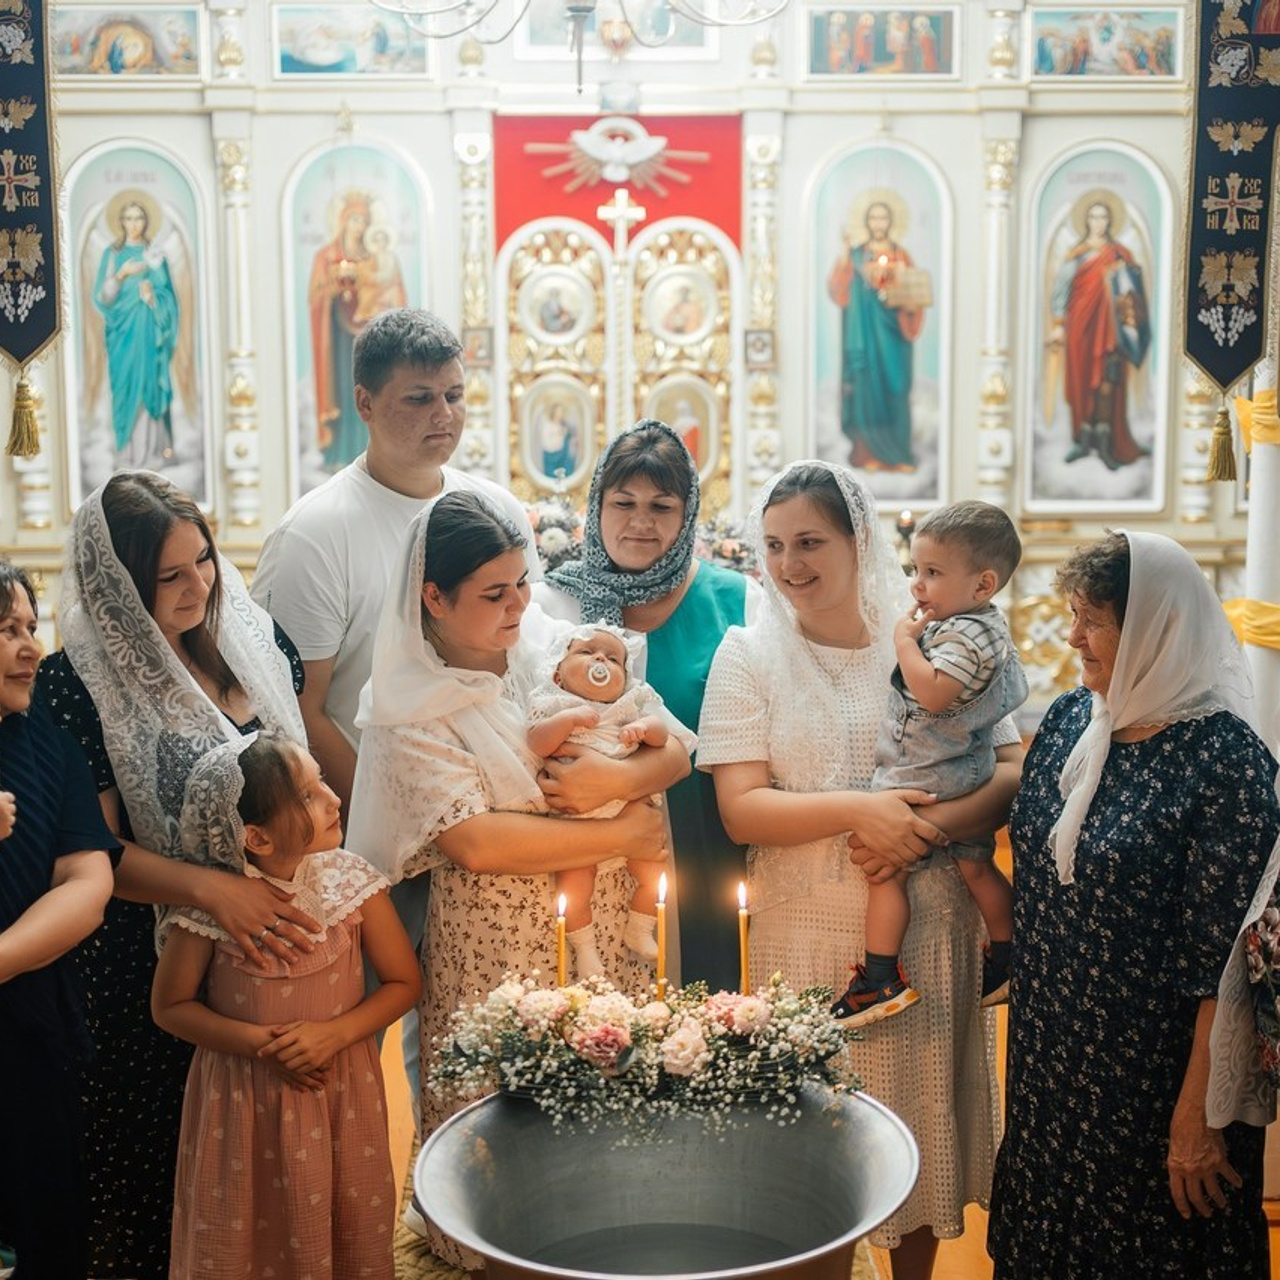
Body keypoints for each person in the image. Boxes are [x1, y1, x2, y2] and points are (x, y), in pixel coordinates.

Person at [698, 461, 1022, 1280]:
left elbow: (1015, 767)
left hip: (929, 922)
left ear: (858, 539)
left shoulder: (935, 638)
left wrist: (923, 826)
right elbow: (743, 808)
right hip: (805, 935)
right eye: (773, 546)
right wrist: (861, 810)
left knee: (918, 1129)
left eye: (810, 541)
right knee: (819, 1153)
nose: (789, 563)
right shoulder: (748, 654)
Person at [346, 491, 686, 1272]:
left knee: (606, 1141)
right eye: (494, 595)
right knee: (506, 1152)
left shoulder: (554, 648)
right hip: (491, 948)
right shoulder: (406, 711)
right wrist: (623, 828)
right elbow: (475, 843)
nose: (518, 606)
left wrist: (616, 773)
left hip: (605, 927)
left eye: (523, 583)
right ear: (432, 597)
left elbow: (674, 745)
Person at [252, 307, 539, 1115]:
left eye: (454, 395)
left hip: (486, 816)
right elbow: (293, 706)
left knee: (475, 1022)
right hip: (364, 825)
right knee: (358, 1022)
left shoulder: (492, 506)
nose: (443, 417)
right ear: (365, 402)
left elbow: (521, 655)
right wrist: (405, 798)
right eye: (418, 398)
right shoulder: (316, 533)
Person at [36, 470, 314, 1280]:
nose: (199, 587)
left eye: (205, 562)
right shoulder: (74, 684)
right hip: (141, 965)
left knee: (264, 1166)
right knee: (162, 1178)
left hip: (265, 948)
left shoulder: (257, 647)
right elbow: (95, 851)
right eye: (170, 576)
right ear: (118, 585)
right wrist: (215, 889)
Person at [988, 531, 1279, 1279]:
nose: (1072, 635)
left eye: (1093, 619)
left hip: (1153, 1080)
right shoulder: (1069, 724)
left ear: (1156, 628)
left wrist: (1197, 1115)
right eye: (1071, 613)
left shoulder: (1225, 761)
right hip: (1053, 1060)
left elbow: (1224, 969)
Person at [153, 734, 419, 1280]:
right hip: (243, 1100)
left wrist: (334, 1035)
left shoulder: (353, 882)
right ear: (256, 836)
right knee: (247, 1227)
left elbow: (402, 983)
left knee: (345, 1215)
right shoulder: (212, 910)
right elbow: (171, 1006)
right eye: (307, 794)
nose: (332, 798)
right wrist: (263, 1046)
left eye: (322, 781)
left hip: (340, 1086)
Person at [536, 419, 763, 992]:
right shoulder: (554, 606)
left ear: (686, 516)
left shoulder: (736, 601)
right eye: (623, 502)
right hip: (584, 863)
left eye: (661, 506)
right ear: (597, 506)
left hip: (708, 850)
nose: (640, 522)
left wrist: (619, 773)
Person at [833, 501, 1027, 1026]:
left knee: (884, 874)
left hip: (925, 771)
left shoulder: (963, 635)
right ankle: (1009, 956)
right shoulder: (984, 625)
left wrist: (904, 645)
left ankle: (879, 979)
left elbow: (935, 694)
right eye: (916, 570)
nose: (918, 584)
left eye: (933, 573)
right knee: (975, 862)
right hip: (965, 765)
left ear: (983, 585)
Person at [0, 560, 118, 1279]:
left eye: (30, 627)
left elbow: (89, 879)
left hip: (27, 1024)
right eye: (5, 630)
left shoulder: (46, 739)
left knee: (40, 1225)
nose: (29, 648)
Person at [528, 624, 691, 976]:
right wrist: (567, 720)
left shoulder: (629, 705)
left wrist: (646, 729)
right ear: (558, 673)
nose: (601, 658)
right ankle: (585, 951)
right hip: (579, 822)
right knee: (574, 887)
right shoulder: (553, 702)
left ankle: (640, 928)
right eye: (587, 652)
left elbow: (666, 738)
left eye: (614, 658)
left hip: (630, 807)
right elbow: (537, 743)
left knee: (655, 871)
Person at [1047, 198, 1151, 470]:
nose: (1099, 222)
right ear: (1086, 221)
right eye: (1093, 216)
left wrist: (1126, 273)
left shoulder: (1120, 254)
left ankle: (1107, 445)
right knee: (1083, 384)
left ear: (1110, 221)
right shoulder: (1077, 255)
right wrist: (1058, 324)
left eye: (1103, 216)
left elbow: (1133, 292)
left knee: (1109, 382)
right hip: (1081, 330)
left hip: (1113, 333)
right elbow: (1061, 291)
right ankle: (1083, 441)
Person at [827, 200, 925, 472]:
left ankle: (900, 454)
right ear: (867, 222)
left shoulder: (901, 256)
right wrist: (846, 253)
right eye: (874, 218)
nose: (879, 224)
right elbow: (838, 290)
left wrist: (900, 291)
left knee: (895, 388)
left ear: (891, 222)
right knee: (865, 389)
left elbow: (916, 294)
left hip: (893, 339)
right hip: (864, 337)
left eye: (883, 218)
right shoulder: (856, 256)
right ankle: (865, 454)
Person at [308, 193, 404, 471]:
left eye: (364, 220)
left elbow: (394, 295)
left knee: (373, 390)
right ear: (342, 221)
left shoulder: (379, 258)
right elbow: (316, 297)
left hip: (372, 338)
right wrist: (334, 287)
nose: (359, 226)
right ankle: (338, 453)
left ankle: (372, 453)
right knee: (344, 390)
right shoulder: (326, 257)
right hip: (338, 338)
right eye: (354, 219)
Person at [93, 196, 180, 468]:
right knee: (124, 389)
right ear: (120, 222)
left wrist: (153, 297)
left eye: (138, 218)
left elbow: (169, 298)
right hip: (122, 336)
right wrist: (121, 275)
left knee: (148, 387)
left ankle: (152, 453)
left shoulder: (155, 254)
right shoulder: (113, 254)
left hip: (149, 333)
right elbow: (103, 298)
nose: (133, 224)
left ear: (146, 221)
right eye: (128, 218)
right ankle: (126, 453)